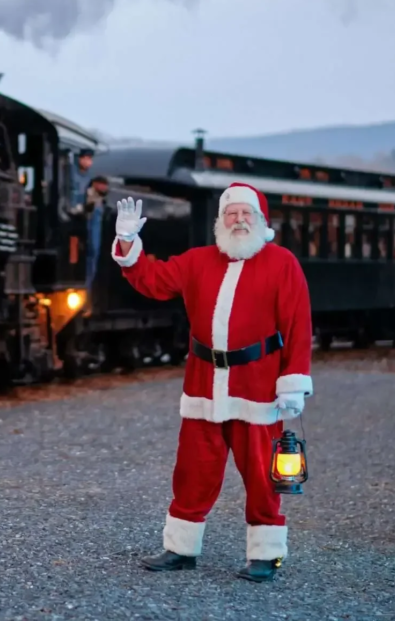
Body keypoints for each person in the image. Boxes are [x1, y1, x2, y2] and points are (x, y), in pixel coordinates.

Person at [111, 183, 313, 583]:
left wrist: (292, 381)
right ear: (220, 221)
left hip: (256, 385)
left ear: (260, 219)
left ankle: (266, 553)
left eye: (246, 213)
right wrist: (128, 241)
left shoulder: (282, 263)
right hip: (204, 383)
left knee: (261, 474)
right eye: (231, 213)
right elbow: (152, 279)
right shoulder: (198, 260)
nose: (239, 220)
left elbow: (298, 325)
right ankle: (181, 547)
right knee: (193, 469)